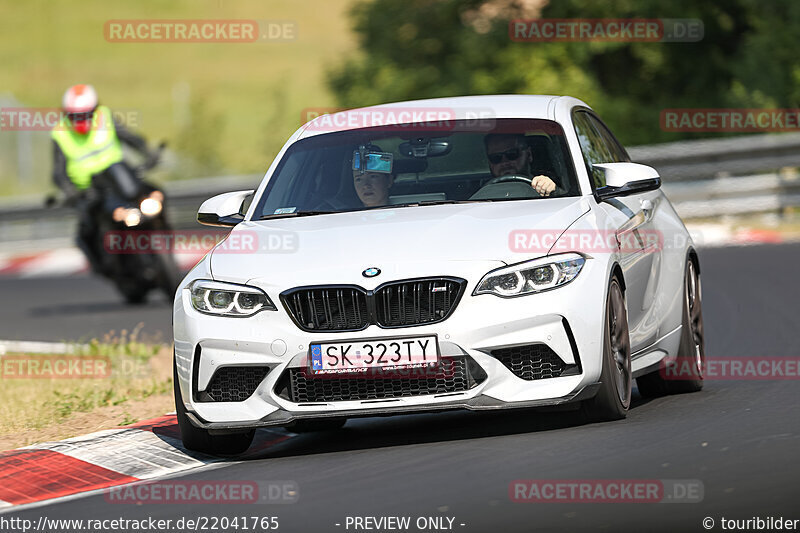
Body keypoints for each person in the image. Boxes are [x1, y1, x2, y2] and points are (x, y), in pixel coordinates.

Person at [51, 84, 158, 272]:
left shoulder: (104, 117)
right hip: (89, 191)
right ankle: (104, 263)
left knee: (153, 193)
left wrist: (147, 153)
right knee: (88, 228)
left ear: (94, 110)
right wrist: (71, 191)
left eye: (85, 115)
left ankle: (160, 234)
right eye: (75, 116)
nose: (81, 120)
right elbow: (58, 172)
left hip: (119, 178)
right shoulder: (60, 133)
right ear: (67, 114)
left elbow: (129, 137)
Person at [484, 133, 557, 196]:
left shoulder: (542, 185)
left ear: (529, 154)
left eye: (512, 154)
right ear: (489, 163)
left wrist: (552, 190)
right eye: (496, 158)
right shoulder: (478, 195)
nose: (505, 162)